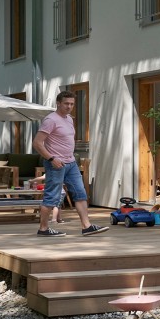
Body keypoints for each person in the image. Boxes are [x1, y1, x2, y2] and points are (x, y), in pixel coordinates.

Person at [31, 90, 105, 237]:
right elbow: (37, 143)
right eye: (66, 103)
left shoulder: (69, 119)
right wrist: (52, 159)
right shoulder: (51, 120)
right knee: (52, 196)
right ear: (58, 103)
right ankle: (43, 229)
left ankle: (87, 226)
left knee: (80, 194)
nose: (69, 106)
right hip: (55, 164)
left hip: (71, 163)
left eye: (72, 104)